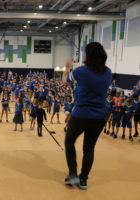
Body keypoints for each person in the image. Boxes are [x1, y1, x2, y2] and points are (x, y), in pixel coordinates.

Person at [63, 42, 112, 190]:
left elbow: (65, 81)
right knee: (89, 148)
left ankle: (73, 175)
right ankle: (83, 179)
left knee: (69, 142)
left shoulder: (81, 71)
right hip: (100, 116)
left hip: (81, 115)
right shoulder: (108, 72)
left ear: (87, 55)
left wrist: (67, 67)